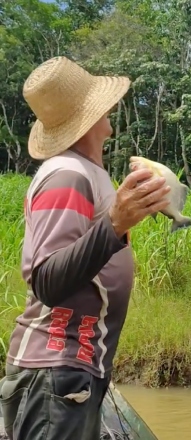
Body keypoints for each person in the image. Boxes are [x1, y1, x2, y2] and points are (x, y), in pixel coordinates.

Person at [0, 56, 172, 440]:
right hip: (55, 373)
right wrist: (115, 224)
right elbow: (47, 279)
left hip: (72, 373)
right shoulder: (67, 174)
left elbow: (90, 251)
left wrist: (129, 216)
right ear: (92, 113)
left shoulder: (86, 171)